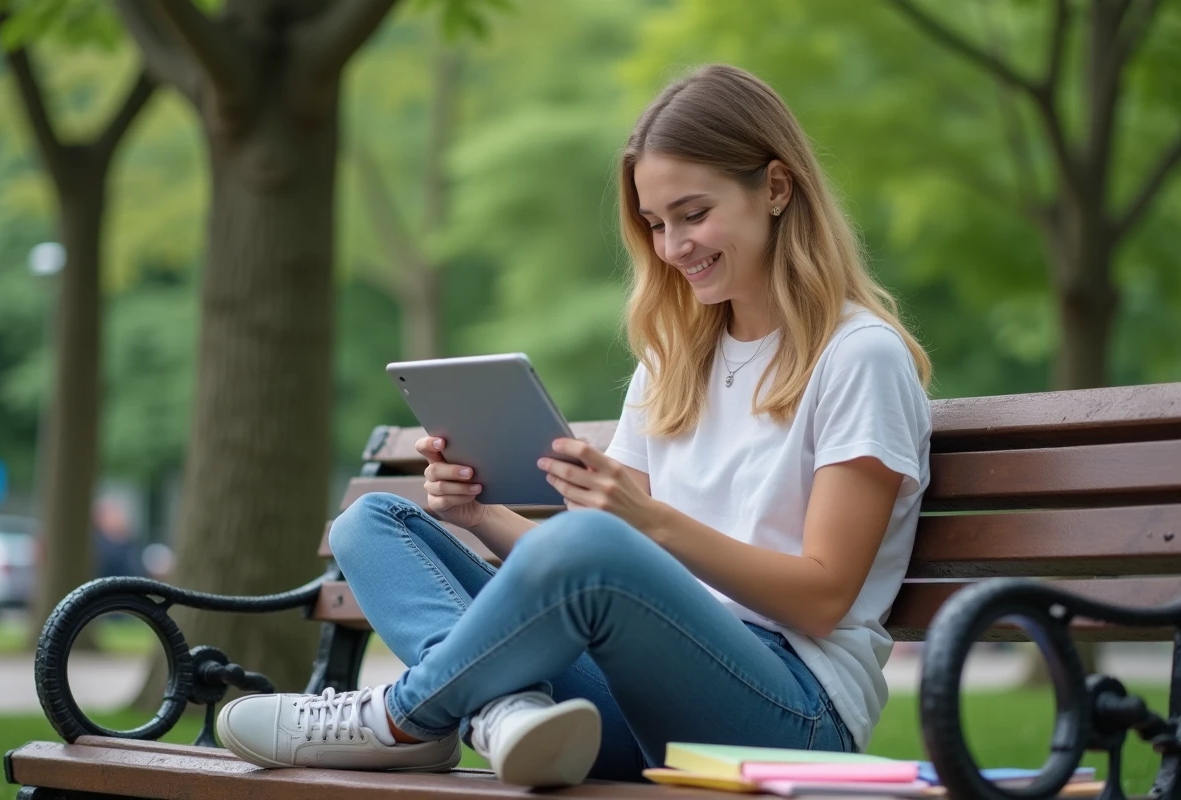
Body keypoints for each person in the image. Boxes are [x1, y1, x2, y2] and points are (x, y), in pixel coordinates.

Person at [215, 63, 933, 788]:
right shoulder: (673, 363)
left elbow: (823, 596)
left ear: (776, 188)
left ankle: (405, 717)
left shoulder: (857, 356)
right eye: (655, 224)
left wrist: (644, 522)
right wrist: (481, 516)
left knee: (590, 539)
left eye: (693, 214)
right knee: (372, 523)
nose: (673, 246)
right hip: (638, 704)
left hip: (794, 715)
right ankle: (497, 712)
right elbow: (585, 574)